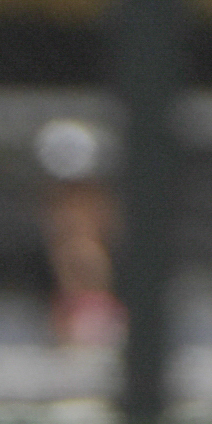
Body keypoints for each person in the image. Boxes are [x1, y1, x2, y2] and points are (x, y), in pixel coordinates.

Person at [33, 118, 122, 349]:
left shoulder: (140, 276)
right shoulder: (24, 272)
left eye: (84, 196)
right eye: (58, 201)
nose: (71, 214)